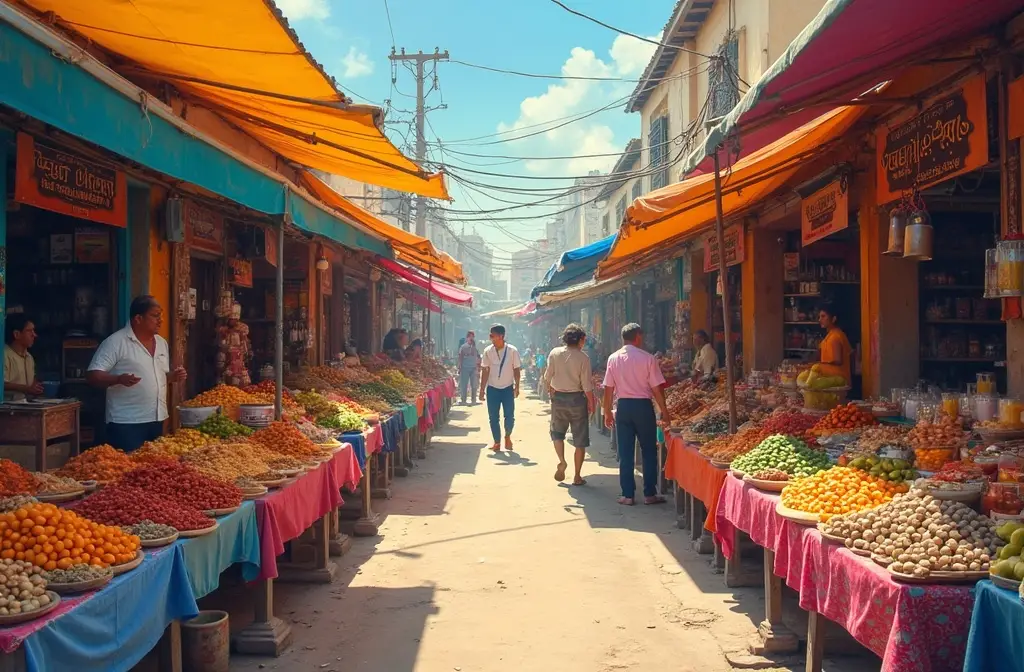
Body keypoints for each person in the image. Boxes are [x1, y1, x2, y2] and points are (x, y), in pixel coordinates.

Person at [87, 296, 186, 452]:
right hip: (127, 422)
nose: (160, 320)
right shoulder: (115, 342)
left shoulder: (161, 343)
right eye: (155, 315)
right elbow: (93, 375)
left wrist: (173, 377)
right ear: (138, 318)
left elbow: (157, 377)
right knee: (129, 469)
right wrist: (118, 379)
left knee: (153, 470)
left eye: (160, 315)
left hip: (157, 419)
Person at [602, 323, 671, 506]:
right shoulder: (648, 358)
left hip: (623, 406)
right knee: (648, 450)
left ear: (623, 338)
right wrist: (664, 412)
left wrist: (607, 412)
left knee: (625, 452)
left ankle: (627, 494)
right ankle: (649, 493)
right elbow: (657, 389)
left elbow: (608, 389)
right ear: (638, 337)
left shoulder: (613, 358)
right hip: (643, 407)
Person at [543, 323, 594, 486]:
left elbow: (547, 377)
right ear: (580, 340)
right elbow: (587, 386)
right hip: (577, 400)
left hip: (558, 398)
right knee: (580, 439)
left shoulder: (554, 353)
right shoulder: (583, 358)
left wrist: (550, 393)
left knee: (557, 433)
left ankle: (562, 461)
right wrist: (591, 403)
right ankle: (577, 476)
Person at [479, 324, 522, 452]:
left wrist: (517, 387)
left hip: (507, 388)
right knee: (493, 417)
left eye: (492, 335)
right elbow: (485, 370)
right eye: (490, 335)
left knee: (509, 416)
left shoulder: (512, 351)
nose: (490, 337)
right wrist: (481, 389)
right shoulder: (487, 351)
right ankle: (497, 442)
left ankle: (507, 436)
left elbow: (517, 370)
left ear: (501, 336)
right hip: (492, 389)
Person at [4, 314, 43, 401]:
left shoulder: (29, 358)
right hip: (7, 409)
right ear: (17, 334)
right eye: (29, 331)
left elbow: (31, 382)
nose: (34, 335)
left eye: (34, 331)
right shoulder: (4, 355)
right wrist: (26, 388)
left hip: (25, 406)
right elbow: (2, 384)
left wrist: (36, 388)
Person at [817, 306, 853, 383]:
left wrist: (818, 366)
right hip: (830, 381)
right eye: (819, 317)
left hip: (838, 383)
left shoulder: (836, 336)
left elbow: (838, 361)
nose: (820, 320)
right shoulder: (830, 335)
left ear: (833, 319)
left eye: (823, 316)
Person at [457, 331, 481, 404]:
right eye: (470, 336)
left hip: (473, 368)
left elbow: (478, 357)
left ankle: (473, 400)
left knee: (474, 384)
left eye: (472, 336)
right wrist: (459, 366)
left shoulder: (475, 347)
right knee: (464, 384)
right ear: (467, 338)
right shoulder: (463, 347)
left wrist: (478, 367)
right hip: (465, 367)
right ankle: (463, 400)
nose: (471, 338)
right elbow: (460, 357)